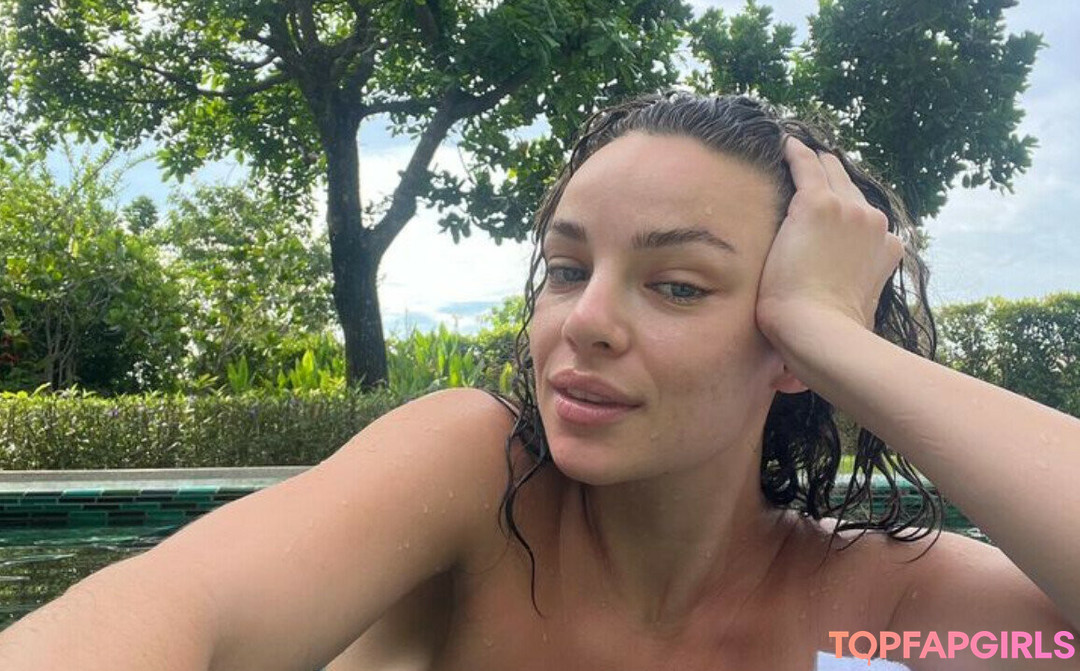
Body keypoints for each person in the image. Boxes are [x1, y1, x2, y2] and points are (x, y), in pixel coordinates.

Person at [0, 91, 1077, 671]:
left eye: (679, 285)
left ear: (795, 349)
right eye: (566, 269)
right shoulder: (473, 487)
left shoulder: (882, 609)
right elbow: (176, 607)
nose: (584, 320)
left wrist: (840, 340)